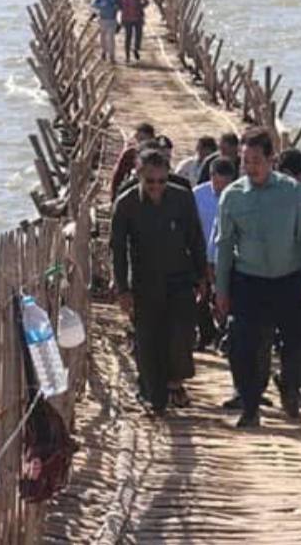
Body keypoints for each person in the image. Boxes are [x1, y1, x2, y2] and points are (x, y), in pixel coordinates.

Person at [215, 127, 301, 428]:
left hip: (288, 279)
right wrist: (222, 289)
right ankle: (250, 406)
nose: (251, 168)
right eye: (246, 161)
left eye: (257, 161)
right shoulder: (232, 197)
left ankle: (289, 386)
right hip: (249, 280)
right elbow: (224, 246)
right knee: (244, 345)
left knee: (295, 343)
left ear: (271, 159)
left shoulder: (293, 192)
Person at [110, 149, 208, 417]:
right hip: (144, 281)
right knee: (148, 339)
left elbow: (196, 238)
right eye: (150, 181)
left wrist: (202, 276)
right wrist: (122, 289)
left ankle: (174, 381)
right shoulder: (126, 203)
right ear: (139, 176)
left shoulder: (182, 198)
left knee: (181, 334)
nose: (156, 187)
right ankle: (154, 397)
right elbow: (117, 249)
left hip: (180, 278)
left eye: (161, 181)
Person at [192, 157, 237, 351]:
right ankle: (206, 334)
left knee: (226, 299)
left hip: (227, 257)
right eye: (218, 184)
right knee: (201, 298)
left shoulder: (238, 197)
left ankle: (225, 336)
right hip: (201, 253)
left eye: (225, 185)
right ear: (211, 177)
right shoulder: (197, 195)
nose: (221, 190)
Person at [110, 122, 156, 198]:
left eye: (143, 139)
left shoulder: (157, 156)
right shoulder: (129, 154)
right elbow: (117, 176)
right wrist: (114, 197)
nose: (139, 143)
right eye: (137, 139)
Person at [119, 0, 149, 64]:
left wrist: (140, 7)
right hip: (128, 19)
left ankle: (136, 49)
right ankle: (127, 55)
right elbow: (122, 8)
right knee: (128, 37)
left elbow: (146, 2)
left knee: (138, 36)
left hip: (137, 17)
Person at [91, 0, 120, 64]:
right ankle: (104, 52)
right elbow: (94, 4)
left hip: (112, 20)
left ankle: (112, 56)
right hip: (102, 19)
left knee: (111, 38)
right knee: (103, 38)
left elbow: (121, 7)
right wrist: (101, 5)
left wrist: (117, 7)